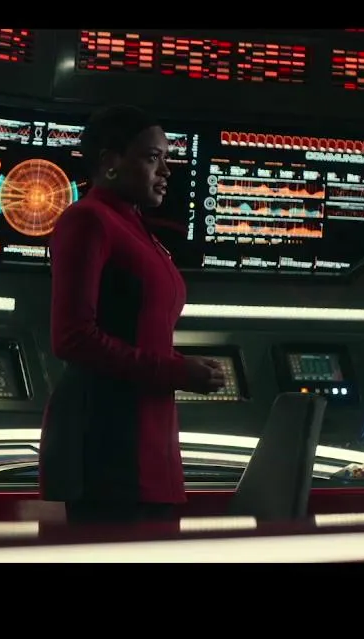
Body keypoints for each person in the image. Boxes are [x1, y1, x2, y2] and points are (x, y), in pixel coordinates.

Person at [40, 104, 227, 525]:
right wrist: (177, 371)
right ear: (110, 161)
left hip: (147, 440)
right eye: (152, 158)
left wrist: (181, 368)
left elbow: (141, 334)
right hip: (106, 441)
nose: (166, 171)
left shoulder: (135, 226)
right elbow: (73, 338)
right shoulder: (87, 219)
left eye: (166, 158)